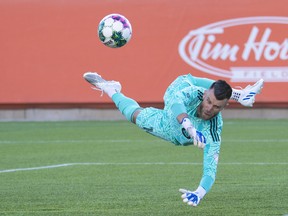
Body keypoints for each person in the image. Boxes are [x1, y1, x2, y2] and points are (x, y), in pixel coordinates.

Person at [83, 72, 264, 207]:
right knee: (136, 115)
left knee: (135, 116)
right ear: (205, 96)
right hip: (175, 99)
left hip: (172, 131)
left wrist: (199, 193)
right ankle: (111, 89)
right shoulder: (196, 93)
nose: (209, 107)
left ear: (224, 108)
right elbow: (177, 100)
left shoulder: (214, 129)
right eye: (208, 101)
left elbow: (210, 169)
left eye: (216, 106)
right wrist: (190, 127)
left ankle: (239, 95)